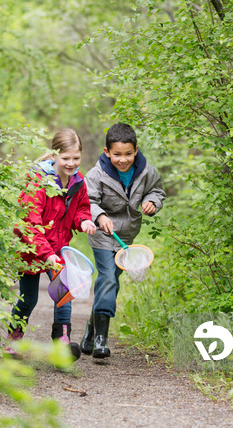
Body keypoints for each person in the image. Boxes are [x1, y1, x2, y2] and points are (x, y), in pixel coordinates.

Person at [7, 129, 97, 359]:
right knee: (29, 299)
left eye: (76, 158)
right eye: (66, 158)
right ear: (54, 155)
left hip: (58, 248)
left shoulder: (78, 181)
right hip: (31, 248)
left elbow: (81, 208)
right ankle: (13, 341)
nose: (71, 163)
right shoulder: (37, 180)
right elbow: (29, 222)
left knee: (64, 295)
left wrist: (84, 221)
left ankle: (62, 345)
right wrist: (46, 254)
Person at [81, 123, 166, 359]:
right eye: (117, 154)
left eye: (128, 154)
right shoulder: (96, 174)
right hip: (102, 234)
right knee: (107, 277)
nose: (123, 159)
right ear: (107, 152)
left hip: (126, 237)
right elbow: (87, 201)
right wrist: (99, 216)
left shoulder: (146, 171)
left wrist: (152, 202)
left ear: (136, 150)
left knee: (111, 284)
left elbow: (157, 191)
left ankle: (91, 330)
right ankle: (101, 341)